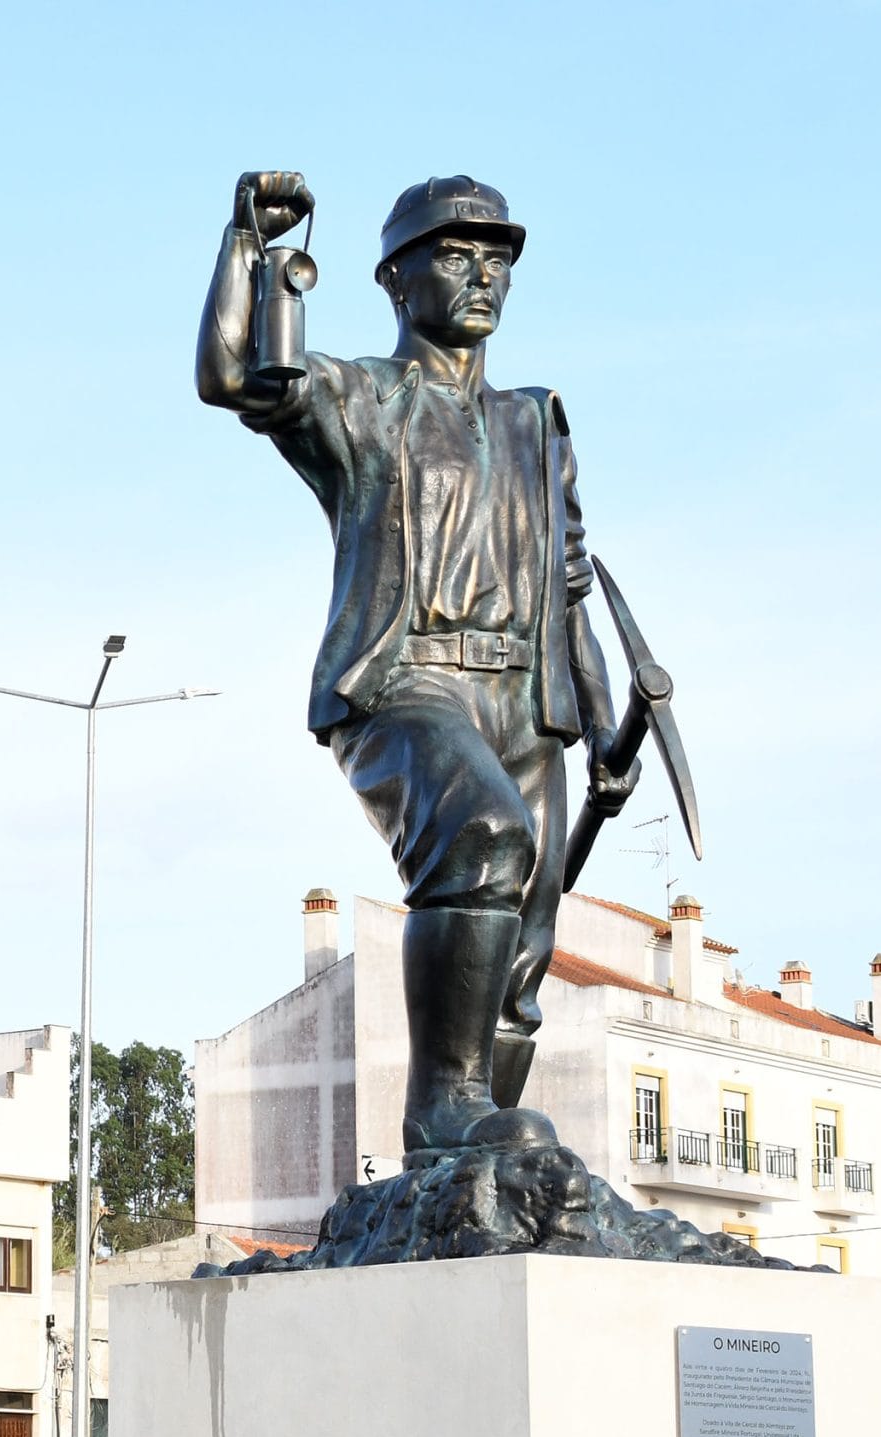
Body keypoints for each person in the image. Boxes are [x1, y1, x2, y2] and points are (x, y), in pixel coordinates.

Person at [196, 172, 637, 1163]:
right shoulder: (360, 397)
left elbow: (567, 584)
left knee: (519, 960)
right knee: (483, 837)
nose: (483, 275)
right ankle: (442, 1108)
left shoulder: (536, 421)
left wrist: (603, 721)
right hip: (406, 684)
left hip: (526, 700)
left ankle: (476, 1164)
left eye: (498, 260)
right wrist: (245, 246)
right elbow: (230, 373)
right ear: (396, 278)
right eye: (456, 254)